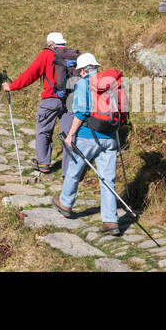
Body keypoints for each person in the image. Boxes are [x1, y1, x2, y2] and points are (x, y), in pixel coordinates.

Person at [54, 53, 121, 235]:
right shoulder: (111, 83)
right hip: (110, 136)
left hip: (88, 136)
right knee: (108, 179)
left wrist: (70, 135)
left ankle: (65, 203)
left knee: (75, 171)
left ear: (83, 70)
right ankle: (111, 221)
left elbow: (81, 112)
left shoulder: (84, 84)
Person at [0, 31, 68, 175]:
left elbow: (31, 73)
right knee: (69, 134)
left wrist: (12, 86)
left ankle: (43, 163)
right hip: (70, 101)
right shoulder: (72, 55)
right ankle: (69, 170)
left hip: (51, 99)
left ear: (50, 43)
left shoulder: (47, 54)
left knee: (43, 131)